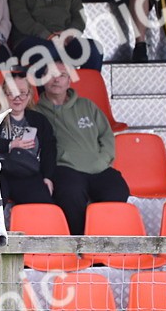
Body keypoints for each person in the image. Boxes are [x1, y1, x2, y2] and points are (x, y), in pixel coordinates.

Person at [35, 61, 129, 235]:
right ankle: (77, 243)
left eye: (62, 75)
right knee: (70, 193)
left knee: (117, 189)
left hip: (98, 166)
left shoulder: (87, 106)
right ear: (42, 79)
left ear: (69, 81)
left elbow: (106, 135)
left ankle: (101, 243)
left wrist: (103, 159)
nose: (56, 80)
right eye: (51, 75)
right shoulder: (35, 112)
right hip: (65, 168)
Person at [0, 72, 56, 206]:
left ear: (29, 96)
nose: (18, 97)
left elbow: (49, 150)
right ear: (4, 95)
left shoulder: (39, 120)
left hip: (27, 171)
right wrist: (10, 144)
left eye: (22, 93)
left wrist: (48, 177)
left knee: (44, 207)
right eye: (11, 92)